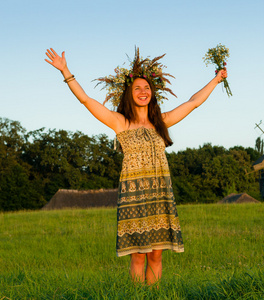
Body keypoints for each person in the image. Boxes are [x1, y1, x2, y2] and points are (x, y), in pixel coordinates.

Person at [45, 47, 228, 285]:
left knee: (156, 255)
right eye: (137, 88)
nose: (143, 92)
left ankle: (153, 295)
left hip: (159, 193)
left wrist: (216, 79)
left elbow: (193, 103)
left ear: (153, 93)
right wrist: (65, 71)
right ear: (129, 94)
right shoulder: (120, 122)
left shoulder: (160, 122)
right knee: (139, 257)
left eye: (147, 88)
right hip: (134, 195)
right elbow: (86, 100)